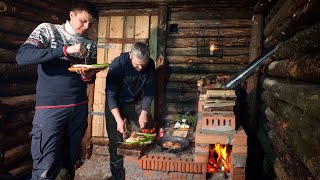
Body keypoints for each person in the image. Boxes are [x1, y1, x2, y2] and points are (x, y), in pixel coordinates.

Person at [16, 2, 99, 179]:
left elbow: (87, 78)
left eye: (90, 24)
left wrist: (88, 75)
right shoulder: (48, 30)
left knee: (69, 163)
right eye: (83, 21)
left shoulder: (90, 44)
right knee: (46, 166)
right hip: (50, 109)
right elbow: (23, 56)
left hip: (78, 107)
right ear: (71, 15)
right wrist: (65, 50)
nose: (86, 27)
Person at [105, 42, 155, 180]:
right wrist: (119, 120)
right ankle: (118, 175)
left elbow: (150, 90)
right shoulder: (117, 65)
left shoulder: (150, 64)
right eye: (137, 64)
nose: (140, 68)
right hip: (116, 104)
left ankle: (141, 170)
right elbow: (110, 95)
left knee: (144, 131)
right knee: (115, 140)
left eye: (143, 65)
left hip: (136, 101)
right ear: (130, 56)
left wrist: (144, 111)